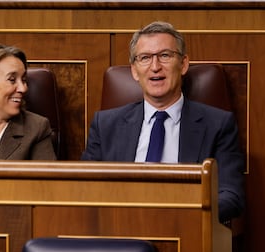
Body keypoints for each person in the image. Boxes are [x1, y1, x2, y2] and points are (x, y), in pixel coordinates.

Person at [81, 21, 245, 223]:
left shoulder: (218, 124)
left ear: (183, 64)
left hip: (186, 229)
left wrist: (176, 216)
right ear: (134, 70)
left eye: (165, 56)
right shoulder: (105, 125)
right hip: (120, 231)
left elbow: (231, 196)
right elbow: (85, 188)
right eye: (145, 58)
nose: (155, 67)